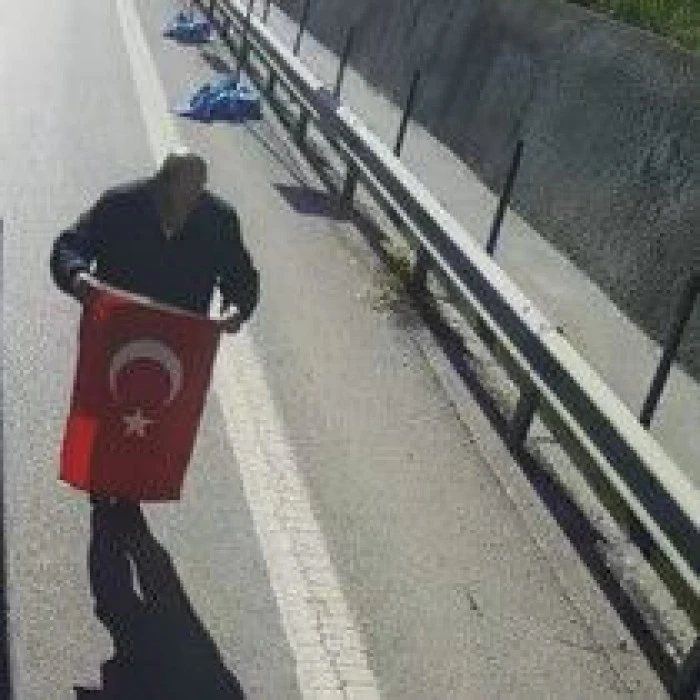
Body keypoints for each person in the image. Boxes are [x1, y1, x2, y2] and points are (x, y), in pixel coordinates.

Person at [50, 148, 259, 332]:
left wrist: (236, 309)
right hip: (114, 327)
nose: (184, 206)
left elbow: (241, 277)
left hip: (178, 343)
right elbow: (71, 245)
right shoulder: (119, 204)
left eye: (194, 196)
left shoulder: (218, 221)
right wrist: (78, 274)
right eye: (177, 196)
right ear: (159, 182)